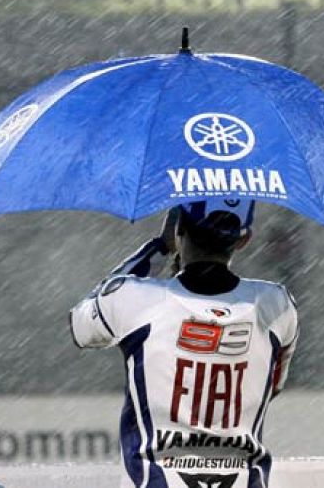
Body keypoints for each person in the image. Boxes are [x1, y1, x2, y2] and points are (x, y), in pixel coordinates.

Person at [70, 200, 299, 488]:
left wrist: (161, 247)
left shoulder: (133, 298)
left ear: (179, 228)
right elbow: (272, 387)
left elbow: (81, 323)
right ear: (244, 239)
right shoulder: (277, 305)